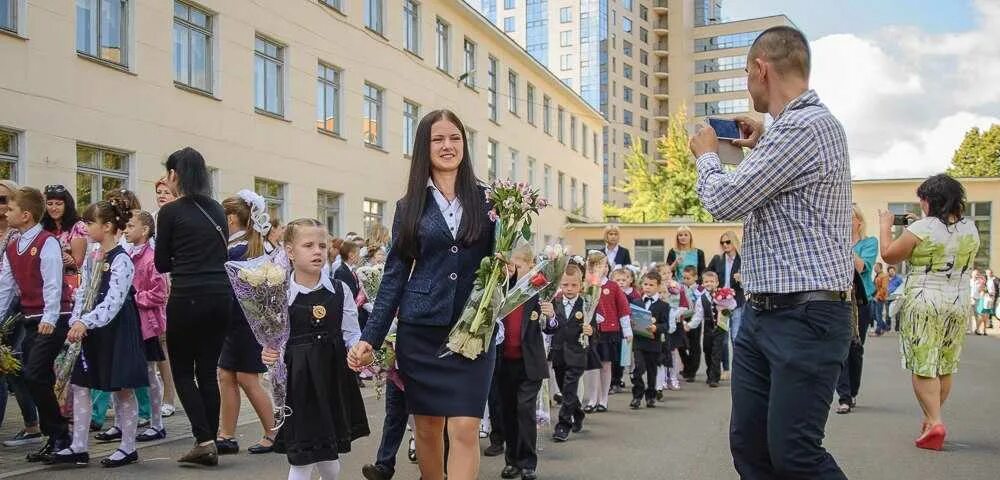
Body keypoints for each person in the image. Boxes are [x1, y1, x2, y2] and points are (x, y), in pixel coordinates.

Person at [690, 26, 853, 478]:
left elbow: (725, 199)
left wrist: (706, 154)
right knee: (752, 448)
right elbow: (786, 193)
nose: (746, 82)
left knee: (796, 454)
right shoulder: (791, 131)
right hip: (766, 313)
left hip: (805, 317)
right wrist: (763, 141)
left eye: (746, 73)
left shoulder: (805, 126)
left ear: (761, 69)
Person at [348, 110, 494, 480]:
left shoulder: (490, 200)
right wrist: (370, 338)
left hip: (473, 333)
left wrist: (510, 271)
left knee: (464, 428)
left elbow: (503, 260)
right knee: (428, 429)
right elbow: (395, 276)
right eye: (438, 139)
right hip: (421, 332)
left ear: (464, 144)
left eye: (455, 138)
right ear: (424, 147)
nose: (448, 146)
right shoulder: (408, 206)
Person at [260, 218, 369, 480]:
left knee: (328, 455)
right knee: (301, 457)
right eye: (308, 245)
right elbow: (271, 340)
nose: (317, 251)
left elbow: (352, 334)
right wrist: (267, 353)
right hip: (298, 385)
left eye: (322, 245)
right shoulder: (279, 293)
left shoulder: (340, 290)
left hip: (332, 380)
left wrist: (359, 351)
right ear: (289, 251)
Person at [878, 174, 980, 450]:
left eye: (922, 200)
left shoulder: (922, 228)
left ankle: (935, 421)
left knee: (923, 362)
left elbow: (889, 255)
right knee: (945, 365)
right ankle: (930, 419)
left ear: (930, 200)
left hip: (925, 300)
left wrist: (886, 227)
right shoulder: (971, 228)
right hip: (957, 302)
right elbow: (944, 235)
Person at [51, 200, 148, 468]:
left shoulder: (122, 259)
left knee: (122, 388)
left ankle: (128, 447)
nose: (83, 227)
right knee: (81, 384)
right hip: (92, 329)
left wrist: (87, 322)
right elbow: (83, 291)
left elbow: (114, 301)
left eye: (90, 223)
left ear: (107, 227)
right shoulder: (94, 254)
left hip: (115, 329)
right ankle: (79, 446)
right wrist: (76, 318)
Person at [155, 146, 232, 466]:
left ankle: (203, 440)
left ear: (175, 175)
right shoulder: (216, 210)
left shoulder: (170, 212)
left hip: (187, 296)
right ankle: (209, 439)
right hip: (220, 297)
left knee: (184, 371)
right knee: (208, 372)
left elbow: (160, 263)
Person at [0, 187, 75, 462]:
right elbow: (5, 288)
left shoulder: (47, 242)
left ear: (27, 215)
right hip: (31, 319)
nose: (6, 211)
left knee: (34, 374)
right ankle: (56, 438)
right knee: (37, 378)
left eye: (11, 207)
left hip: (52, 319)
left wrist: (50, 317)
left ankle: (60, 435)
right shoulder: (12, 247)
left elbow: (54, 283)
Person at [216, 192, 276, 455]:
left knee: (247, 377)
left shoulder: (241, 249)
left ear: (230, 219)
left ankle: (274, 432)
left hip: (246, 321)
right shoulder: (241, 246)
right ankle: (226, 434)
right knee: (226, 374)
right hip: (236, 322)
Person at [493, 246, 550, 480]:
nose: (512, 269)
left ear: (529, 264)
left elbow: (551, 326)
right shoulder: (500, 290)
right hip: (504, 361)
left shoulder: (538, 288)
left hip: (529, 363)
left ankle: (528, 462)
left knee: (524, 410)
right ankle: (512, 461)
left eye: (517, 265)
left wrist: (551, 315)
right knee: (507, 411)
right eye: (509, 265)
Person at [0, 180, 43, 448]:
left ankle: (31, 424)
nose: (1, 207)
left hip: (14, 305)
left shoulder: (18, 236)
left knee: (9, 366)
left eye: (5, 200)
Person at [125, 211, 169, 443]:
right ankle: (123, 423)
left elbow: (160, 293)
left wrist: (134, 298)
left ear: (144, 230)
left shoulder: (152, 258)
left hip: (147, 324)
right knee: (126, 372)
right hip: (130, 322)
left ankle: (156, 423)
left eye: (131, 226)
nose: (126, 229)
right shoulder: (126, 255)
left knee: (150, 373)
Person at [544, 263, 597, 443]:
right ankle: (578, 413)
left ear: (580, 285)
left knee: (569, 388)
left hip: (577, 354)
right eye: (565, 285)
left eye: (574, 285)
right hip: (558, 353)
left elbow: (595, 326)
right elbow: (549, 328)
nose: (569, 289)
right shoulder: (555, 303)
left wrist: (591, 330)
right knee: (564, 388)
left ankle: (563, 425)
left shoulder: (586, 304)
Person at [836, 205, 877, 414]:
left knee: (855, 348)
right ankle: (843, 396)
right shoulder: (834, 241)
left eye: (849, 217)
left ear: (858, 221)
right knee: (840, 348)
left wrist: (845, 246)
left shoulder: (869, 243)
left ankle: (852, 390)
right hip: (839, 299)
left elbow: (861, 267)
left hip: (861, 301)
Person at [582, 250, 631, 413]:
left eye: (602, 265)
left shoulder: (612, 286)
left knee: (605, 365)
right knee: (591, 366)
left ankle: (603, 399)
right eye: (594, 265)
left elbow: (623, 308)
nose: (598, 268)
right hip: (591, 331)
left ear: (607, 267)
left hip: (609, 331)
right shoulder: (586, 285)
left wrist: (627, 329)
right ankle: (592, 398)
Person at [152, 178, 178, 418]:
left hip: (172, 288)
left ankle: (169, 395)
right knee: (155, 347)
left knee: (165, 346)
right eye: (159, 192)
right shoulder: (153, 219)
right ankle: (154, 395)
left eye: (166, 192)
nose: (161, 195)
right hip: (151, 288)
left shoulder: (179, 218)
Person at [629, 271, 671, 409]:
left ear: (658, 287)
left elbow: (666, 325)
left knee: (652, 371)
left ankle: (651, 396)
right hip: (639, 342)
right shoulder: (636, 302)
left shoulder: (663, 305)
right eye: (645, 284)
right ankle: (637, 395)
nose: (647, 287)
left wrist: (656, 327)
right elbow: (631, 319)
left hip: (654, 343)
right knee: (639, 368)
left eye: (651, 285)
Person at [705, 230, 743, 379]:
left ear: (734, 242)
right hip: (721, 303)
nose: (725, 245)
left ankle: (739, 369)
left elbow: (753, 279)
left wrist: (742, 278)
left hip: (738, 302)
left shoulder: (743, 260)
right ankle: (725, 369)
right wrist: (712, 287)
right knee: (723, 337)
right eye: (722, 242)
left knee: (736, 336)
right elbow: (707, 274)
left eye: (728, 242)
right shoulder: (717, 259)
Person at [40, 185, 87, 290]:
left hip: (68, 283)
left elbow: (77, 263)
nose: (54, 208)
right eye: (49, 204)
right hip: (44, 281)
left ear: (67, 205)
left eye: (59, 204)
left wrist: (65, 258)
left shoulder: (78, 226)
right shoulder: (42, 226)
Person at [697, 271, 727, 388]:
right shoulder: (701, 298)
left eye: (712, 281)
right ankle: (710, 372)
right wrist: (689, 325)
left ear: (717, 283)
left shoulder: (723, 295)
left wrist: (724, 310)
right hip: (708, 328)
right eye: (706, 282)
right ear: (703, 284)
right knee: (708, 350)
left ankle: (714, 377)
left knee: (716, 352)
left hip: (720, 328)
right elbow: (698, 315)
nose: (709, 283)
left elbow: (730, 308)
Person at [678, 266, 704, 382]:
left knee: (694, 345)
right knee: (681, 344)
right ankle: (687, 365)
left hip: (695, 318)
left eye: (688, 278)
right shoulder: (680, 288)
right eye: (684, 277)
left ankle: (692, 371)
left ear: (695, 277)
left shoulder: (699, 289)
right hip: (682, 318)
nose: (685, 280)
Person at [873, 263, 889, 335]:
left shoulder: (884, 276)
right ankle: (885, 326)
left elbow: (884, 288)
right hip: (875, 297)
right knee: (873, 314)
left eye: (876, 267)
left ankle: (878, 331)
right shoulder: (877, 276)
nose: (875, 268)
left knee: (878, 314)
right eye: (874, 267)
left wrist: (877, 297)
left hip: (880, 298)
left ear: (880, 268)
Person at [887, 265, 903, 332]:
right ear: (888, 272)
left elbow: (902, 287)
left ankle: (897, 328)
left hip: (896, 297)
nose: (891, 272)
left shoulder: (898, 279)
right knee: (888, 313)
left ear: (895, 271)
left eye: (892, 271)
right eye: (890, 271)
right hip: (888, 297)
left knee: (897, 314)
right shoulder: (886, 278)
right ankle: (888, 327)